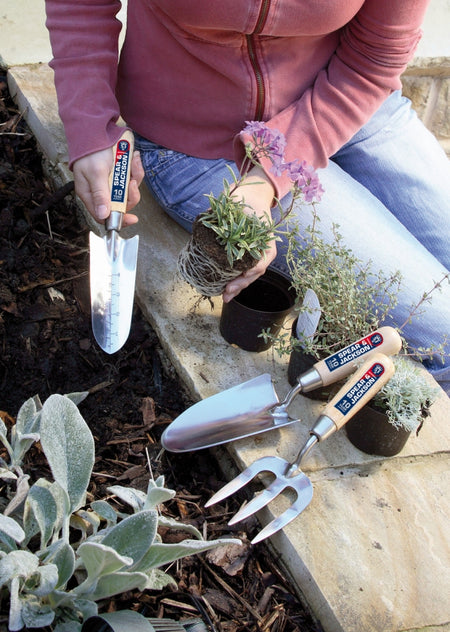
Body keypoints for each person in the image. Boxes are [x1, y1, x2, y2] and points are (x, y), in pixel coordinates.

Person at [44, 0, 450, 394]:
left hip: (350, 101)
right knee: (444, 334)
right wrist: (91, 126)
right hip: (204, 147)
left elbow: (376, 55)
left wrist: (268, 178)